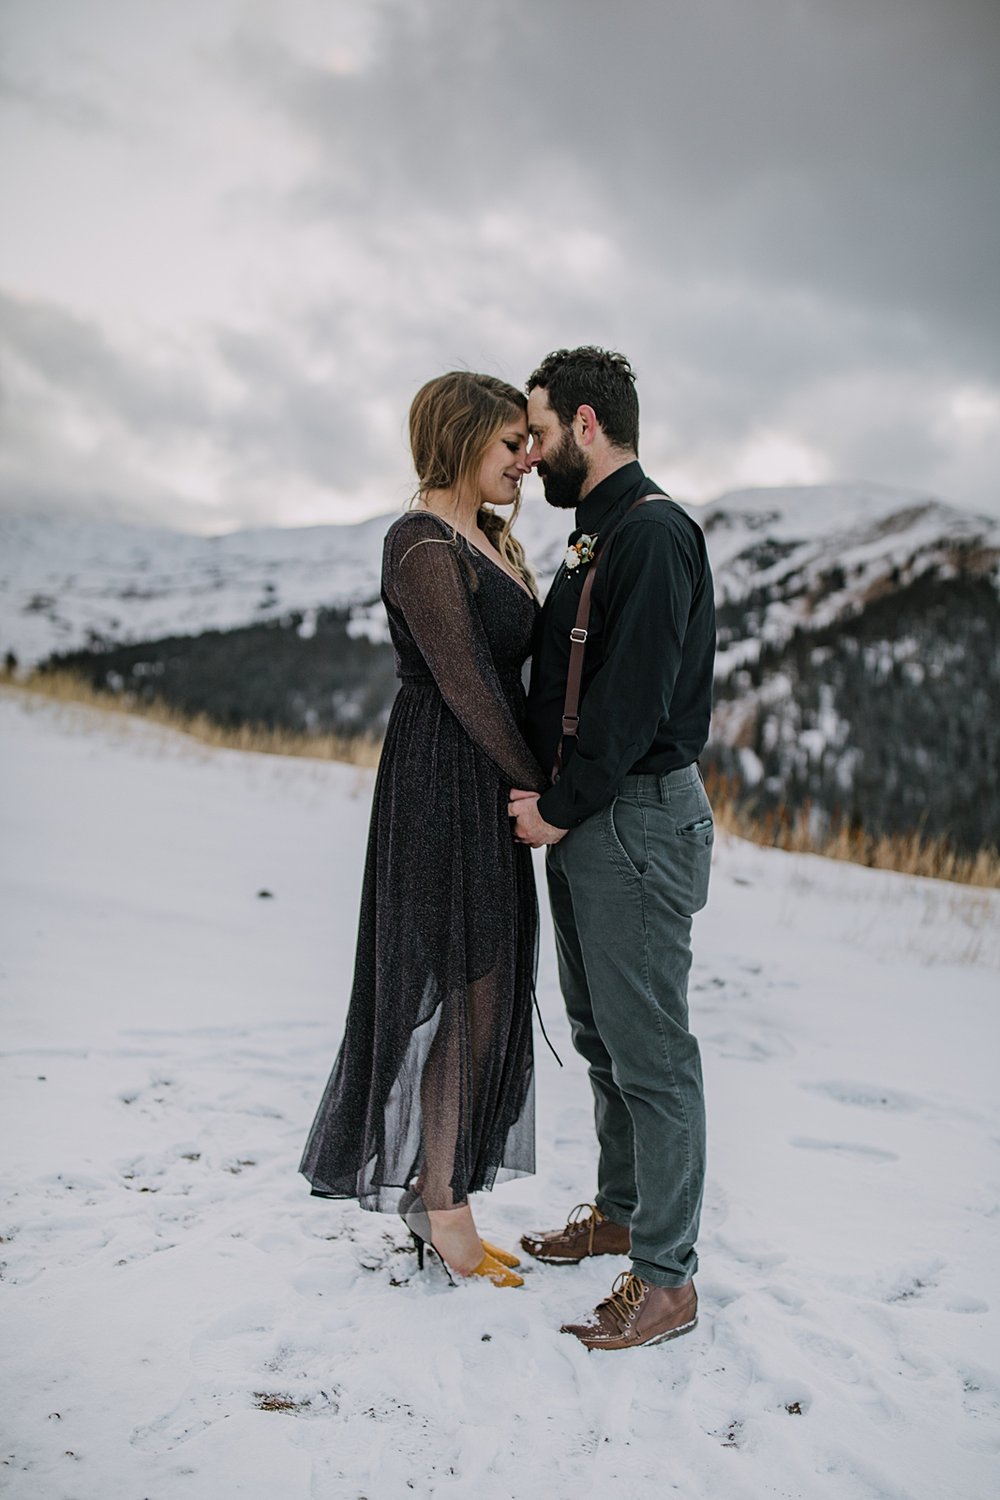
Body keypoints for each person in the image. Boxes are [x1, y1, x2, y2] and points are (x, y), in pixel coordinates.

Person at [300, 372, 549, 1287]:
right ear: (460, 441)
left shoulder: (490, 537)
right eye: (509, 443)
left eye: (528, 442)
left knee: (486, 995)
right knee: (457, 986)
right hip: (442, 781)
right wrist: (545, 789)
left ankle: (439, 1193)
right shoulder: (418, 541)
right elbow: (468, 687)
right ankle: (441, 1207)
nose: (525, 459)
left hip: (486, 783)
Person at [509, 347, 716, 1349]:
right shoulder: (596, 535)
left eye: (538, 432)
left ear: (586, 425)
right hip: (596, 819)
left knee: (653, 1058)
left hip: (630, 817)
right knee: (602, 1040)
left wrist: (561, 805)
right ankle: (624, 1211)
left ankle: (666, 1282)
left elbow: (630, 703)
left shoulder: (653, 533)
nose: (528, 452)